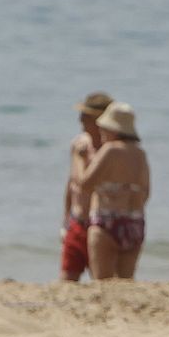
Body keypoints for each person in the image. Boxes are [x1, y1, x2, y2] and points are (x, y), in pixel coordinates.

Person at [77, 102, 151, 280]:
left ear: (114, 130)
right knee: (126, 282)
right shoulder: (140, 154)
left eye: (104, 128)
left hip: (106, 221)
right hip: (134, 222)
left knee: (102, 282)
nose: (101, 132)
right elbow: (146, 192)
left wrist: (81, 159)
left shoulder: (110, 150)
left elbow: (84, 184)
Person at [60, 91, 112, 282]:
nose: (81, 119)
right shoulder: (79, 144)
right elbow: (72, 184)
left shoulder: (110, 150)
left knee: (101, 280)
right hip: (77, 220)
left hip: (100, 224)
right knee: (67, 278)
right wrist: (65, 220)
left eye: (86, 115)